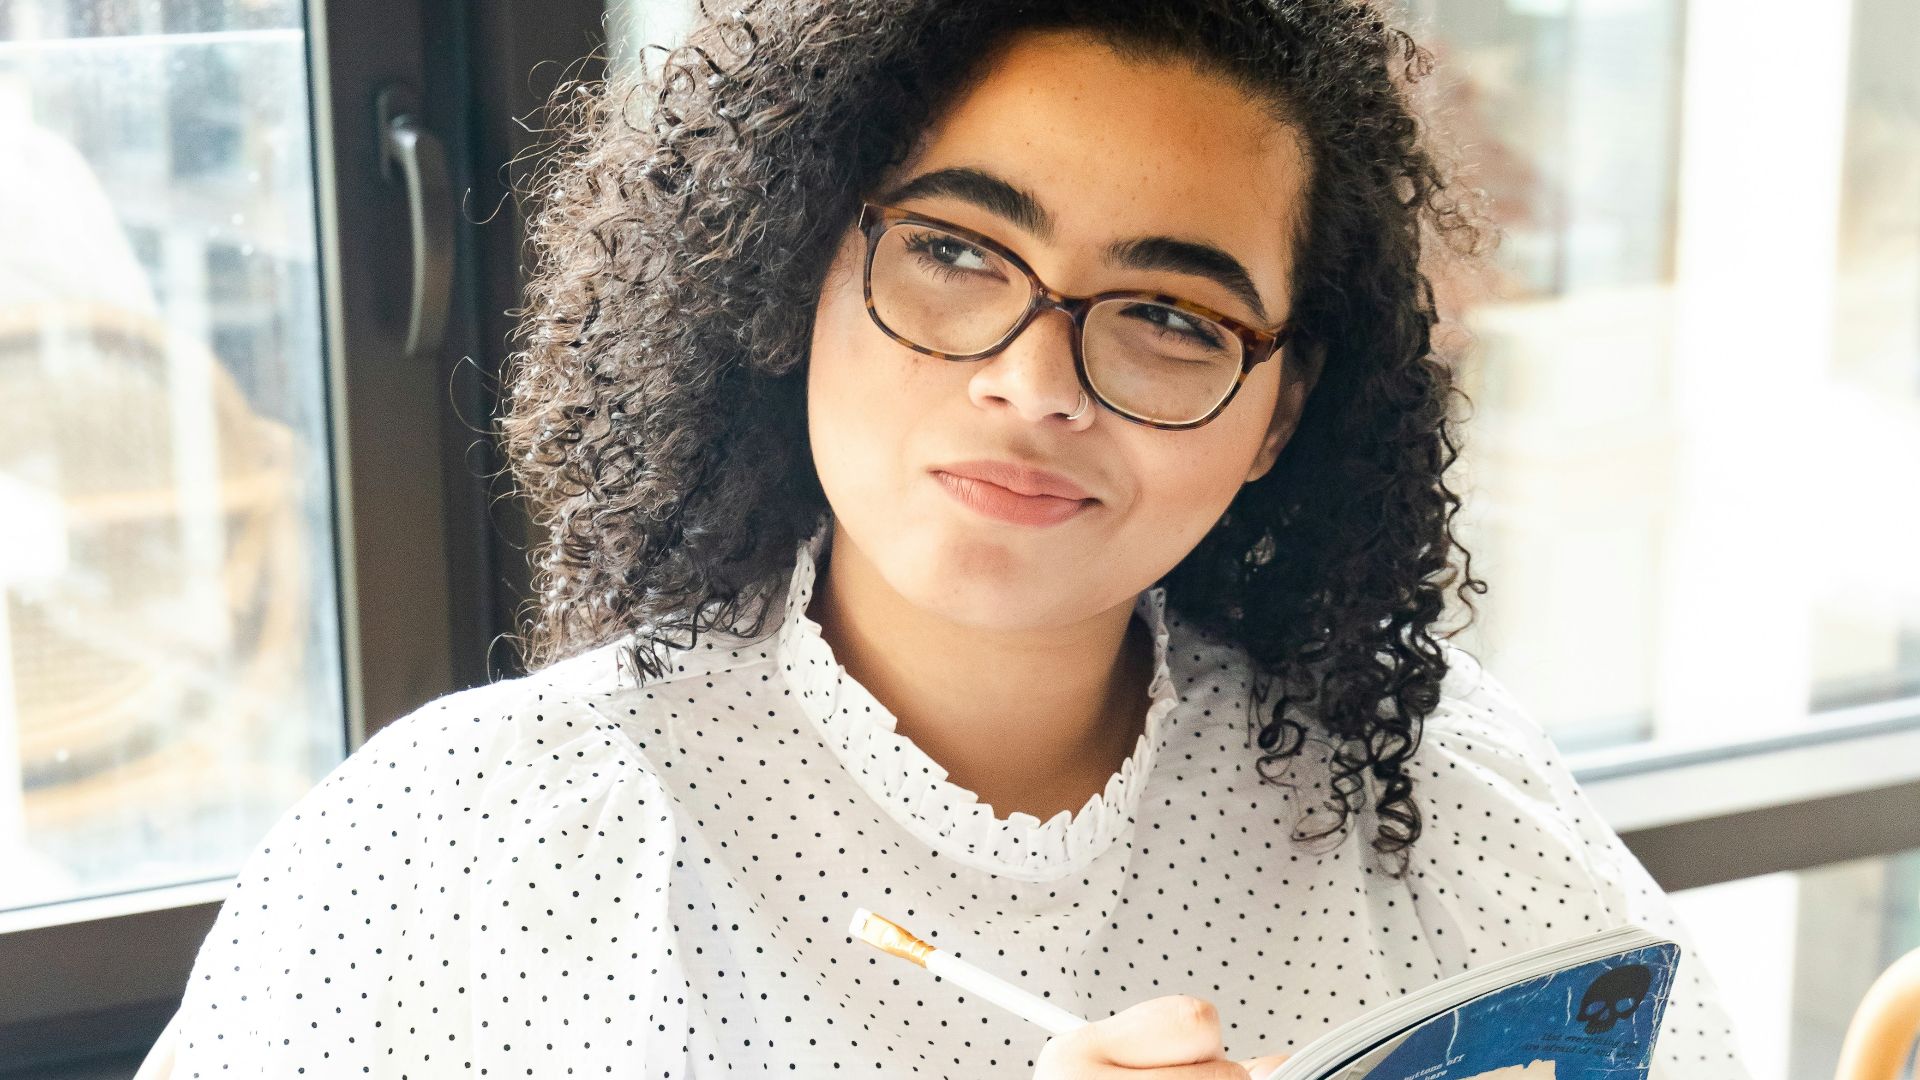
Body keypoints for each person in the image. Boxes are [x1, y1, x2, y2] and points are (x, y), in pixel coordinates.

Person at [165, 1, 1755, 1076]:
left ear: (1280, 410)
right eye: (950, 251)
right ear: (791, 263)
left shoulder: (1430, 792)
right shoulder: (459, 846)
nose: (1033, 381)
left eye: (1166, 316)